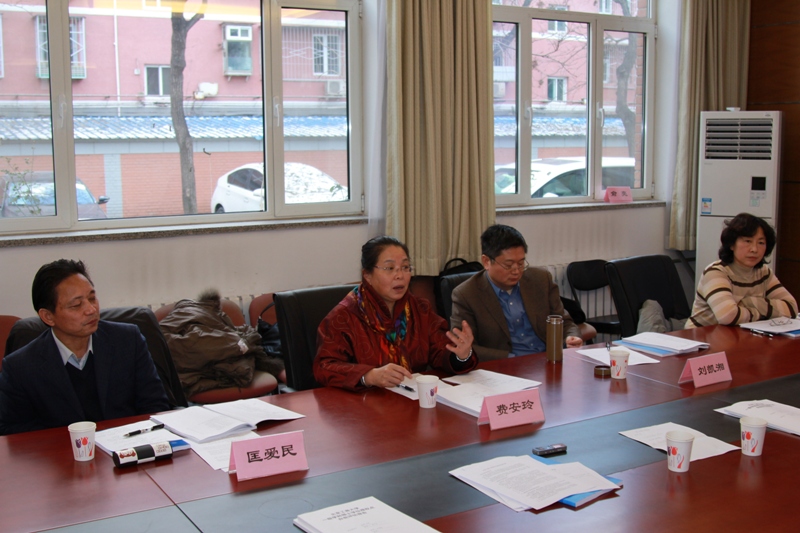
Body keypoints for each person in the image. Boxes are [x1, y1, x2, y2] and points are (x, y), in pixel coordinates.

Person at [0, 259, 170, 435]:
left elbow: (155, 406)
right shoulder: (20, 367)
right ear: (48, 316)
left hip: (126, 445)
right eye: (76, 305)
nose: (91, 309)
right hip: (61, 451)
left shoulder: (128, 341)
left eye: (92, 298)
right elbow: (13, 432)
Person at [314, 236, 478, 390]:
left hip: (411, 396)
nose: (400, 276)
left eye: (405, 268)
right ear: (367, 275)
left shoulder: (419, 309)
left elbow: (440, 350)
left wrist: (461, 355)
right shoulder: (344, 316)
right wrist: (368, 376)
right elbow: (325, 367)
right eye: (390, 268)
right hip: (364, 402)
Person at [450, 224, 582, 361]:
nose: (516, 271)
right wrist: (512, 359)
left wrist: (571, 336)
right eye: (508, 265)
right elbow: (465, 346)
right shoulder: (466, 295)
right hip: (505, 365)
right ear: (486, 261)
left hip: (548, 359)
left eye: (520, 264)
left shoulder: (541, 279)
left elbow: (564, 321)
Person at [686, 213, 797, 328]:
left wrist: (749, 302)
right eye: (747, 241)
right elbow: (728, 316)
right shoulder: (716, 272)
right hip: (700, 336)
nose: (754, 249)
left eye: (761, 243)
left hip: (737, 334)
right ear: (732, 244)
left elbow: (791, 308)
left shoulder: (764, 273)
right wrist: (762, 314)